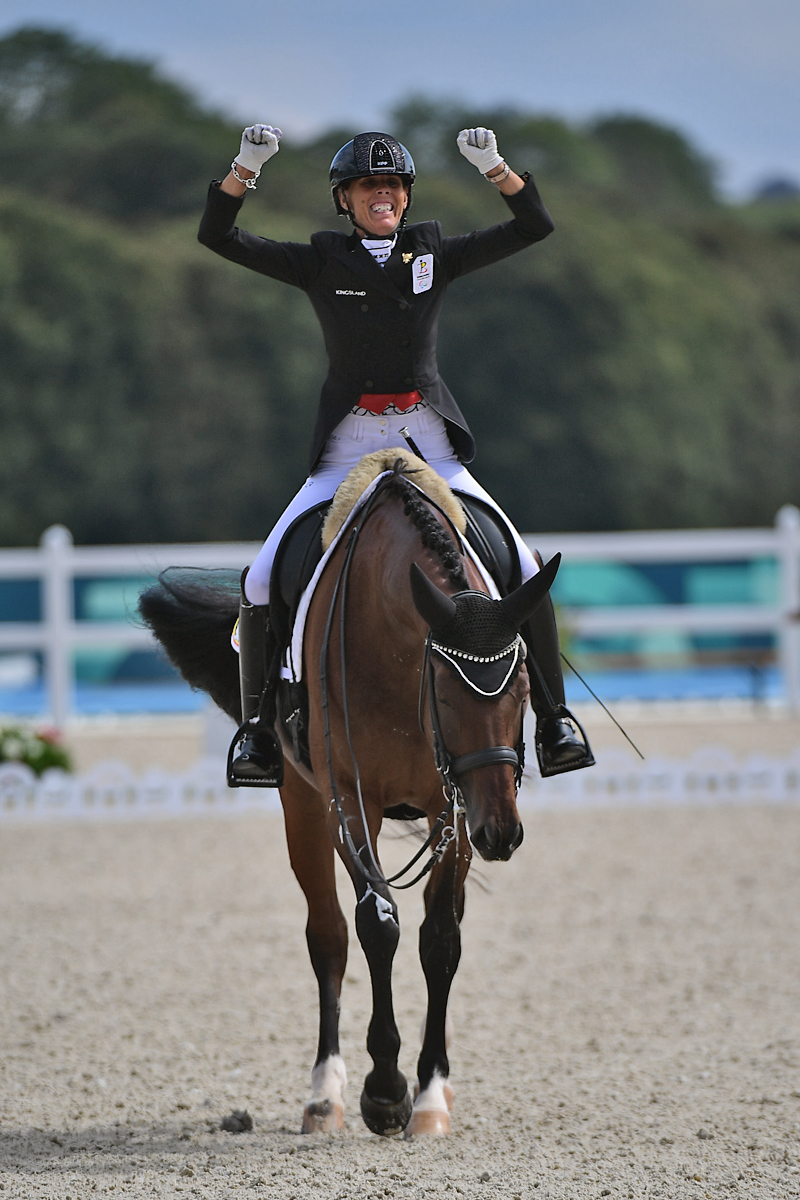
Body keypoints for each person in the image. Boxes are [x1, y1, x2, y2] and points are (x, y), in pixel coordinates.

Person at [198, 124, 593, 785]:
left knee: (522, 568)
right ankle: (259, 733)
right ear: (344, 200)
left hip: (427, 441)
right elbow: (220, 237)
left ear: (405, 197)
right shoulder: (323, 258)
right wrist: (246, 167)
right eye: (366, 186)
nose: (380, 195)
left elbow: (534, 226)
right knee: (261, 579)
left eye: (391, 186)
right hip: (349, 444)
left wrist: (496, 168)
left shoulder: (431, 251)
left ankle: (555, 721)